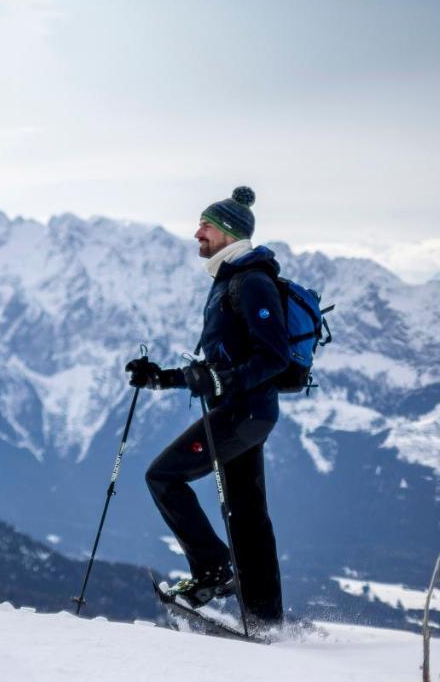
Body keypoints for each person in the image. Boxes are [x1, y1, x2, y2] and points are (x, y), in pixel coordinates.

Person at [125, 186, 286, 629]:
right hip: (246, 413)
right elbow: (215, 367)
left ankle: (212, 572)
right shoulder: (230, 280)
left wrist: (221, 381)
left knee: (163, 475)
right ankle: (266, 618)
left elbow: (275, 356)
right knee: (246, 515)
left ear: (229, 234)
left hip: (242, 413)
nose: (197, 233)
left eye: (206, 226)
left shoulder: (250, 282)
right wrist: (162, 377)